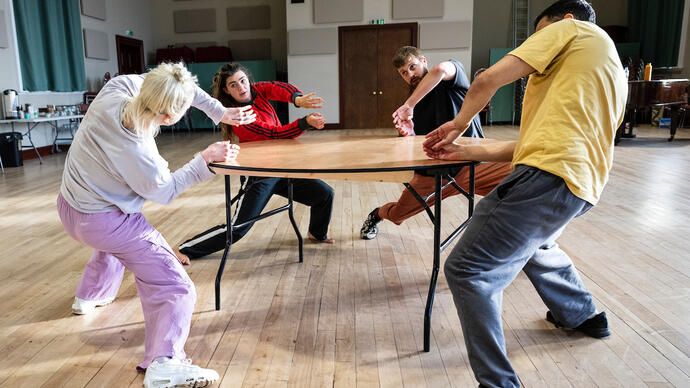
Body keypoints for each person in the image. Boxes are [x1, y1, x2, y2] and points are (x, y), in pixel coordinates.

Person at [423, 1, 627, 386]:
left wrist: (457, 124)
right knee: (535, 245)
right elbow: (535, 145)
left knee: (468, 270)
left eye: (538, 33)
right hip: (579, 185)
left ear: (564, 21)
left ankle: (499, 383)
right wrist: (466, 149)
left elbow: (485, 80)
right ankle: (582, 315)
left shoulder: (572, 30)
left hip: (546, 178)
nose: (535, 43)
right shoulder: (608, 69)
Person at [57, 62, 255, 388]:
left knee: (116, 245)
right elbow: (164, 191)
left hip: (70, 206)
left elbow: (180, 88)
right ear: (168, 118)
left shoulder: (117, 88)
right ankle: (165, 362)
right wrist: (204, 160)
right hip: (102, 221)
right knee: (174, 287)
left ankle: (88, 296)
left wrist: (219, 111)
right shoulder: (139, 152)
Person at [177, 63, 334, 262]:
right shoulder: (239, 117)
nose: (241, 88)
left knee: (324, 194)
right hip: (259, 175)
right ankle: (185, 248)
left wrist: (298, 99)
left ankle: (317, 233)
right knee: (238, 229)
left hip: (281, 168)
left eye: (242, 81)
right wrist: (305, 122)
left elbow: (278, 88)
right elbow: (274, 134)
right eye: (233, 85)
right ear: (227, 90)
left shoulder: (258, 90)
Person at [359, 46, 512, 240]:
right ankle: (376, 214)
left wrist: (409, 104)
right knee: (398, 213)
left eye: (412, 67)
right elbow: (414, 144)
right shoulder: (414, 107)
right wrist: (407, 133)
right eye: (404, 73)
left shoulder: (452, 80)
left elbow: (440, 70)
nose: (410, 74)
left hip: (474, 164)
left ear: (423, 61)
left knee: (524, 176)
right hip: (435, 174)